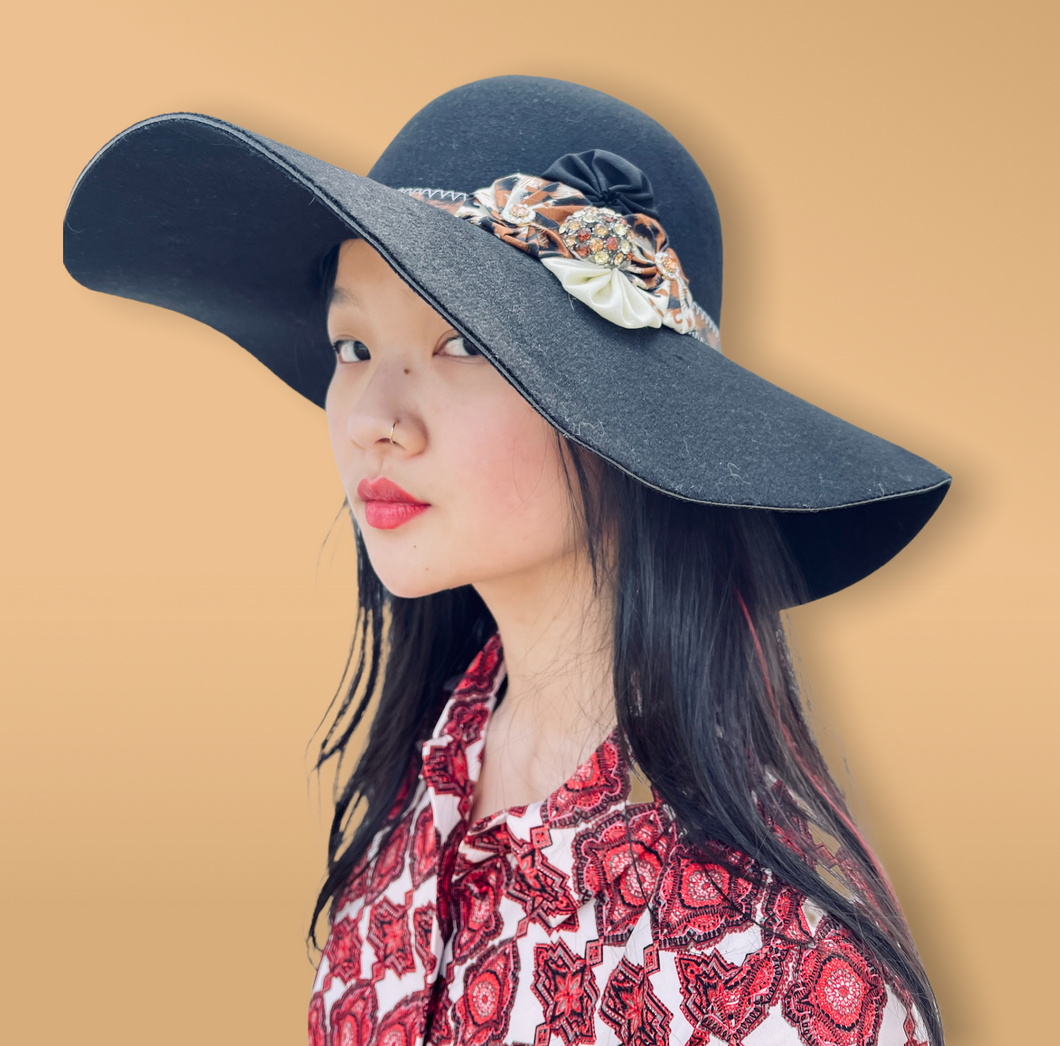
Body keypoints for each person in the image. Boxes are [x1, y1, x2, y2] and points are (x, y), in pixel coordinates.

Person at [64, 76, 949, 1046]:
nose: (373, 422)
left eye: (459, 343)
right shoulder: (431, 765)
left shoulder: (774, 961)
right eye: (352, 345)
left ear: (622, 415)